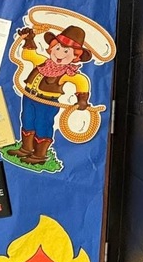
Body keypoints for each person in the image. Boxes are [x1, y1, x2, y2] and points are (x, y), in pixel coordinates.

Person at [8, 25, 92, 165]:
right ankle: (26, 148)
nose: (60, 54)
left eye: (66, 51)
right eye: (57, 48)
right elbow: (28, 55)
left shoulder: (67, 72)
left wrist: (82, 99)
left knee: (42, 124)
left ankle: (39, 154)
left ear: (75, 56)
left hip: (46, 103)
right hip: (29, 97)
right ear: (51, 48)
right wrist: (29, 39)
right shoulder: (42, 62)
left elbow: (81, 81)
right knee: (27, 119)